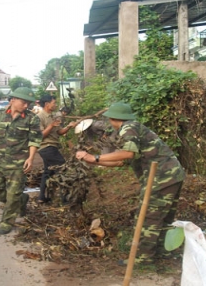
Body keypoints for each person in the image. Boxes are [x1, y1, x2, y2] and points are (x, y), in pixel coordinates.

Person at [75, 102, 185, 265]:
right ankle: (161, 252)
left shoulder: (128, 128)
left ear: (113, 118)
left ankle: (143, 259)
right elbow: (121, 162)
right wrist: (94, 162)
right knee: (163, 216)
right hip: (172, 175)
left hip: (161, 177)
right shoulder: (131, 128)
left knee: (148, 217)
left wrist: (95, 157)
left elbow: (127, 153)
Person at [0, 87, 42, 235]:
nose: (26, 106)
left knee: (12, 194)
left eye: (28, 103)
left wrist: (30, 158)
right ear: (12, 100)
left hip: (18, 163)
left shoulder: (31, 118)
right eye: (24, 102)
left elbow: (34, 140)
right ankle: (20, 200)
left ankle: (7, 222)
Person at [37, 95, 77, 203]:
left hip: (52, 146)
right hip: (46, 147)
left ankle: (42, 197)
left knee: (47, 172)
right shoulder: (39, 117)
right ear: (47, 104)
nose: (55, 105)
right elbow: (40, 135)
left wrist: (69, 126)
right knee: (63, 169)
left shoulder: (54, 117)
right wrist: (51, 125)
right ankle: (65, 199)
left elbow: (59, 132)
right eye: (54, 103)